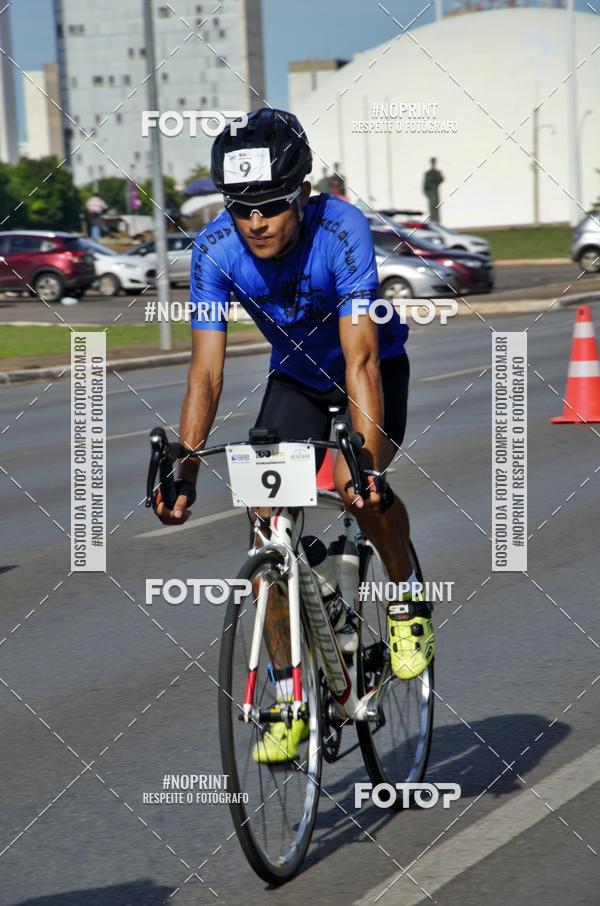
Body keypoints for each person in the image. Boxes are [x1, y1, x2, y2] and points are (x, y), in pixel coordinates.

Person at [153, 108, 435, 761]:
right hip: (298, 381)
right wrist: (185, 470)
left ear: (301, 196)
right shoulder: (214, 251)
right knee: (266, 524)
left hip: (372, 370)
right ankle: (288, 696)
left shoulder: (342, 230)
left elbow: (361, 358)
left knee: (358, 491)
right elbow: (205, 375)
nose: (256, 221)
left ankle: (405, 600)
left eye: (272, 205)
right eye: (240, 206)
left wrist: (362, 461)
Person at [423, 157, 444, 223]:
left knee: (436, 208)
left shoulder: (437, 172)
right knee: (432, 208)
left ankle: (437, 222)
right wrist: (428, 194)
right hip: (431, 193)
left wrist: (435, 180)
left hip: (435, 191)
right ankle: (433, 222)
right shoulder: (428, 173)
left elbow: (441, 179)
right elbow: (425, 186)